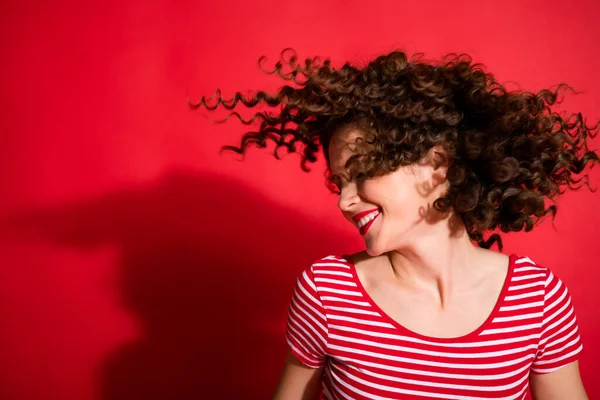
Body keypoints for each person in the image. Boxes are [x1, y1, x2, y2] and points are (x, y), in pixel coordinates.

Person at [191, 48, 598, 399]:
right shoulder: (328, 293)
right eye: (338, 182)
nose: (344, 200)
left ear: (436, 167)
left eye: (361, 172)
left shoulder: (537, 299)